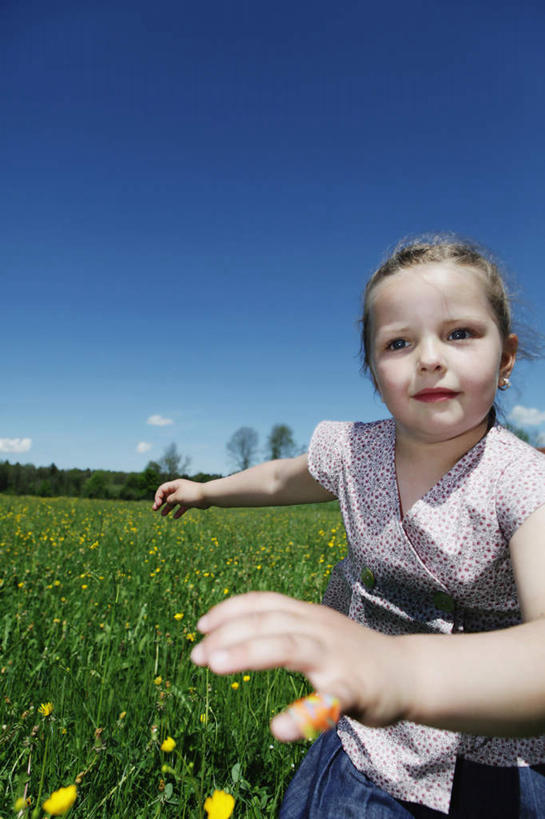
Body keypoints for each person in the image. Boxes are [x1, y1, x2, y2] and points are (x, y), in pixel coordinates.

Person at [153, 237, 545, 817]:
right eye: (398, 342)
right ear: (373, 370)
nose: (429, 358)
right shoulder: (354, 448)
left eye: (460, 333)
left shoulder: (524, 479)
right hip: (372, 740)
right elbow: (281, 480)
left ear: (506, 357)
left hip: (497, 748)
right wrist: (207, 492)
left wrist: (403, 671)